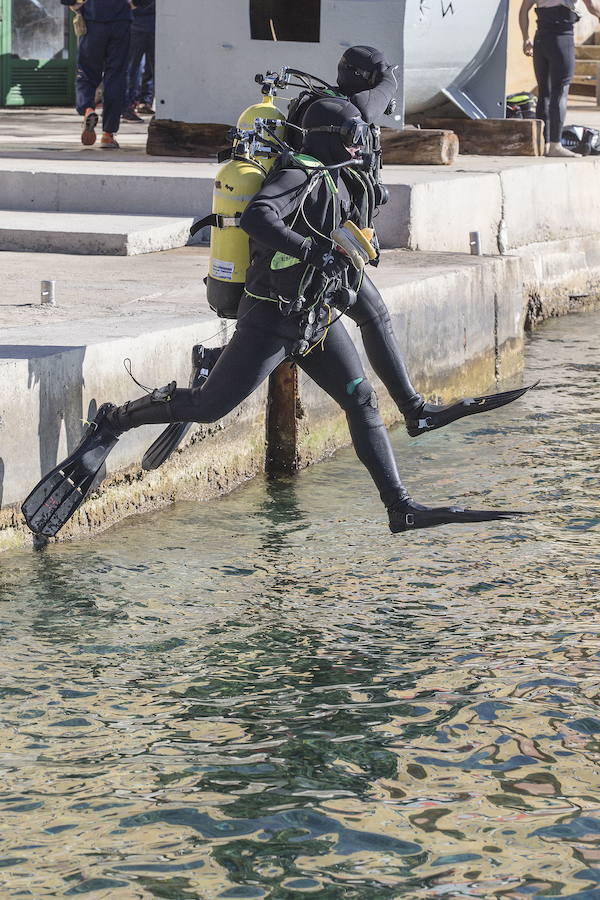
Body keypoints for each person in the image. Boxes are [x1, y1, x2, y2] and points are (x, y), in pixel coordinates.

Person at [21, 98, 528, 540]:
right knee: (208, 407)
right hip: (271, 319)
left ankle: (399, 507)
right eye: (352, 137)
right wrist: (314, 250)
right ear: (330, 138)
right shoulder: (298, 172)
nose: (359, 145)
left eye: (363, 137)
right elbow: (257, 217)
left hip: (314, 319)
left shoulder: (340, 174)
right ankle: (114, 419)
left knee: (362, 400)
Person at [143, 46, 532, 470]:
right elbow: (384, 90)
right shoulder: (339, 116)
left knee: (367, 336)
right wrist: (315, 251)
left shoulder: (323, 108)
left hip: (326, 250)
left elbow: (378, 93)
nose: (356, 141)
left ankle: (412, 416)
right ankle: (413, 409)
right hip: (303, 260)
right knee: (368, 321)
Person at [63, 0, 153, 149]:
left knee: (86, 72)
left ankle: (87, 109)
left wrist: (73, 4)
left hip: (92, 18)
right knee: (116, 76)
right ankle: (108, 134)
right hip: (121, 20)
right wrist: (134, 3)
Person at [519, 0, 600, 157]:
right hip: (561, 40)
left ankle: (543, 143)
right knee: (560, 91)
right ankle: (556, 145)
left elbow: (523, 11)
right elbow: (592, 6)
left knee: (544, 93)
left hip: (540, 40)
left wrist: (525, 39)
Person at [122, 0, 155, 122]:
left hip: (140, 22)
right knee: (133, 68)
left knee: (132, 68)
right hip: (142, 22)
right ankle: (131, 104)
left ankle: (135, 103)